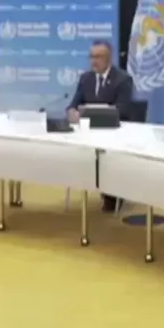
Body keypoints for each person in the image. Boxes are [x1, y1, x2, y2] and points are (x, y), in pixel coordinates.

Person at [67, 40, 133, 212]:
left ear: (108, 58)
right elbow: (73, 105)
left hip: (114, 133)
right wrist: (72, 112)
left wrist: (90, 115)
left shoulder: (123, 79)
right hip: (89, 133)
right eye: (91, 57)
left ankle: (112, 194)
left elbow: (122, 110)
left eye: (98, 57)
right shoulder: (86, 79)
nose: (94, 61)